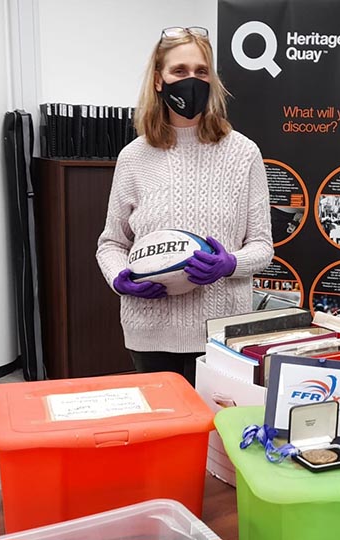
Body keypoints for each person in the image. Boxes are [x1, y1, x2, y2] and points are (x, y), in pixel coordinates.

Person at [96, 26, 274, 386]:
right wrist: (120, 279)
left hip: (221, 334)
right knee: (162, 433)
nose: (191, 80)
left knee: (214, 436)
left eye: (201, 71)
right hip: (149, 330)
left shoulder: (243, 153)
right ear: (159, 80)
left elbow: (263, 247)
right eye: (179, 71)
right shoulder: (134, 157)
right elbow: (112, 244)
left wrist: (229, 263)